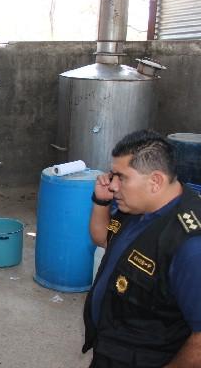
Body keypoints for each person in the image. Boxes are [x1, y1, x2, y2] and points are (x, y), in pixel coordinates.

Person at [83, 129, 201, 367]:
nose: (113, 185)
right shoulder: (137, 207)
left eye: (121, 177)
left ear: (155, 181)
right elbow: (103, 239)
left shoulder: (191, 246)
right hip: (112, 348)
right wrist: (101, 202)